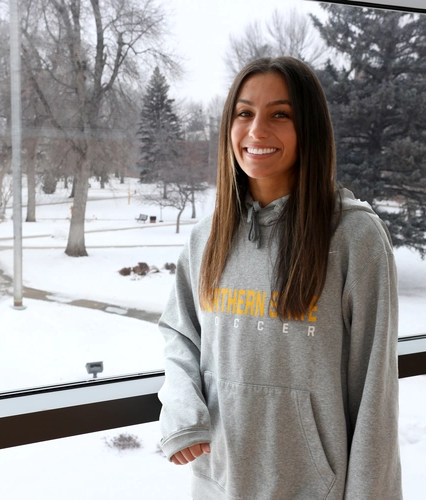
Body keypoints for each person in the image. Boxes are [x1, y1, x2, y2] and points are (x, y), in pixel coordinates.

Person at [157, 57, 402, 500]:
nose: (257, 131)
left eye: (280, 115)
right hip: (217, 484)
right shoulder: (206, 237)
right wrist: (181, 408)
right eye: (244, 113)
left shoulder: (354, 237)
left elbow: (375, 402)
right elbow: (179, 333)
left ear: (308, 127)